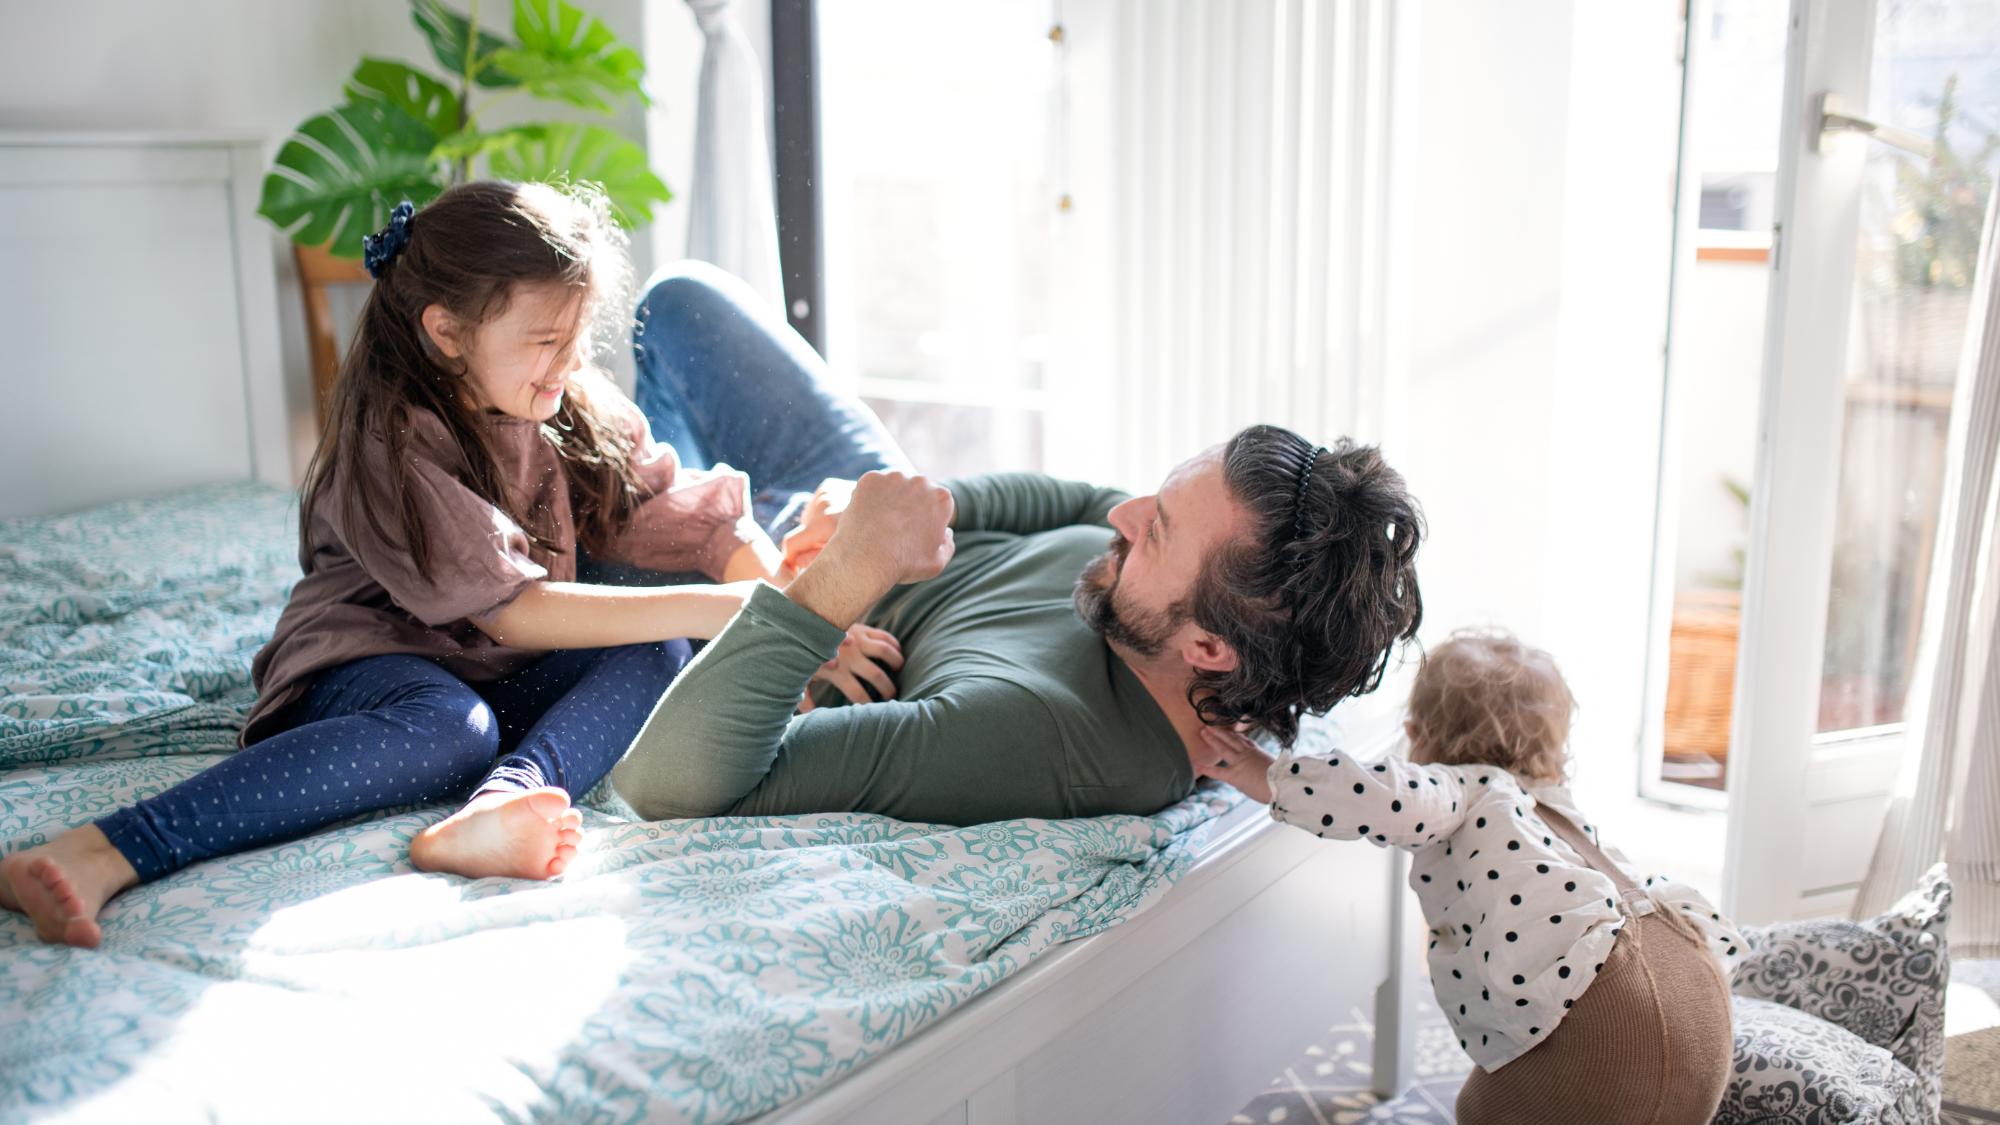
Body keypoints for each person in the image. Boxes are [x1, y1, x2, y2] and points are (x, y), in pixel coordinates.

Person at [0, 182, 896, 948]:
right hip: (377, 659)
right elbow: (513, 611)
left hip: (497, 670)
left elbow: (685, 518)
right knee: (450, 725)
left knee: (660, 641)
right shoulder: (390, 438)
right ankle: (106, 847)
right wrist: (729, 608)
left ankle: (495, 809)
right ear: (446, 331)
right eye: (546, 341)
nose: (569, 363)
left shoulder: (563, 400)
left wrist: (793, 612)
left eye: (577, 339)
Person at [609, 419, 1428, 827]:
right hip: (869, 507)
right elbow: (1068, 502)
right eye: (1160, 494)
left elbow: (663, 785)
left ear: (1209, 648)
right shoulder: (1181, 602)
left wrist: (837, 584)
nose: (1124, 511)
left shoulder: (1041, 734)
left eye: (1157, 530)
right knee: (692, 298)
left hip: (787, 562)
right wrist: (921, 509)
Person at [1199, 629, 1742, 1124]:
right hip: (1697, 997)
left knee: (1485, 1107)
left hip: (1608, 1015)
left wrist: (1261, 773)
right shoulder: (1554, 805)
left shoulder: (1461, 788)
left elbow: (1372, 795)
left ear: (1417, 735)